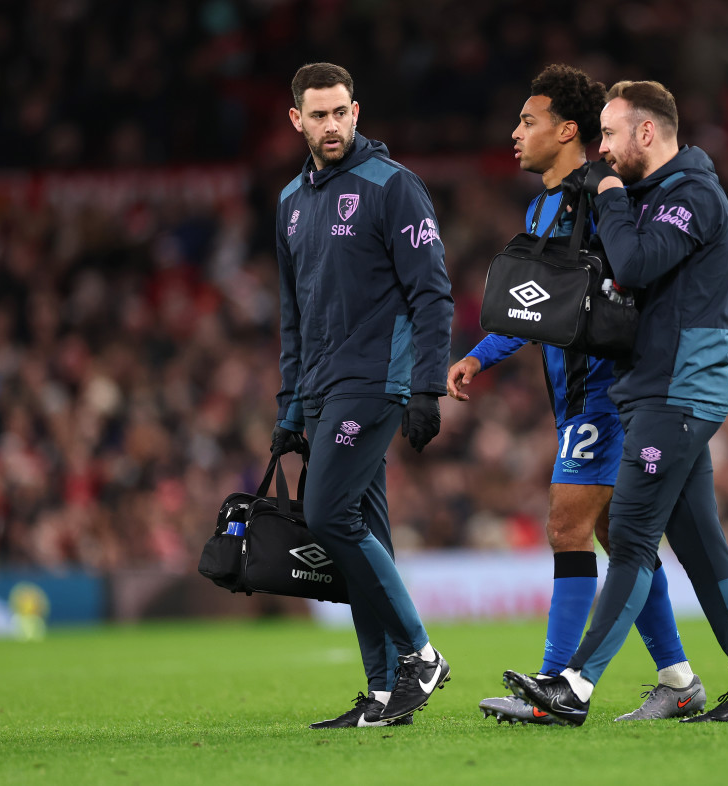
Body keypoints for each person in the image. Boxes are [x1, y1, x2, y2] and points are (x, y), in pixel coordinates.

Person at [503, 80, 728, 725]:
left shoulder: (691, 196)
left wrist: (607, 194)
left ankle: (575, 685)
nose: (601, 148)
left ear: (647, 131)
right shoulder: (656, 196)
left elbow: (632, 265)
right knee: (701, 546)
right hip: (658, 393)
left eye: (609, 134)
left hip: (677, 392)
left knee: (629, 535)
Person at [448, 65, 705, 724]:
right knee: (620, 536)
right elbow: (539, 308)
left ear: (567, 131)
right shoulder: (541, 209)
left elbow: (637, 281)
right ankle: (678, 680)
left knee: (567, 525)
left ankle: (553, 684)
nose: (515, 134)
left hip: (608, 394)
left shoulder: (605, 197)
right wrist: (479, 355)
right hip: (573, 396)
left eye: (527, 121)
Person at [272, 62, 454, 729]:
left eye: (340, 112)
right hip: (321, 389)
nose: (331, 125)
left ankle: (422, 656)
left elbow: (433, 293)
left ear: (356, 112)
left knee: (327, 516)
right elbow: (294, 314)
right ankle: (381, 693)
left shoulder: (393, 186)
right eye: (318, 115)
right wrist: (290, 408)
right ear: (297, 120)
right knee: (362, 528)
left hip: (375, 380)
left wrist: (426, 387)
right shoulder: (291, 201)